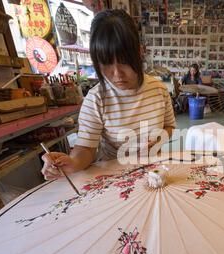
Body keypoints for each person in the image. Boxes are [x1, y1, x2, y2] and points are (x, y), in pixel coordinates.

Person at [41, 9, 176, 180]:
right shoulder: (96, 99)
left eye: (124, 62)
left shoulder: (159, 89)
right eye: (106, 63)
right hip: (115, 177)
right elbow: (86, 148)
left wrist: (158, 139)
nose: (117, 74)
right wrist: (72, 163)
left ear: (139, 52)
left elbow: (170, 127)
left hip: (154, 170)